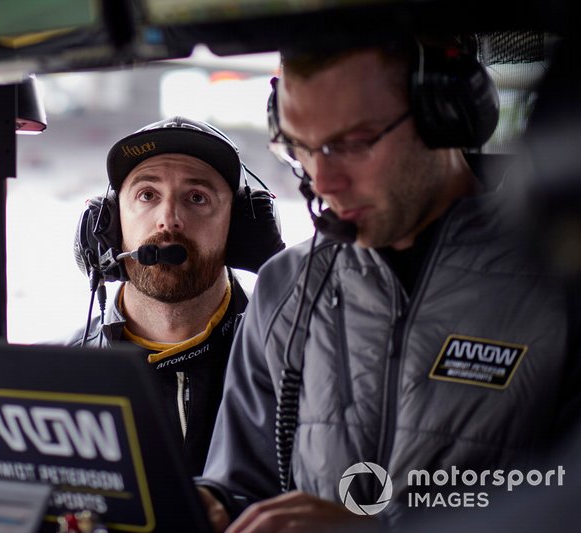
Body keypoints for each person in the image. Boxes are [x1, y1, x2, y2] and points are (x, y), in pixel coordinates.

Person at [196, 36, 581, 532]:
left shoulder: (560, 277)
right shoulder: (285, 287)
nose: (322, 181)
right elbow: (243, 481)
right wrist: (214, 504)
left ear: (444, 116)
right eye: (300, 148)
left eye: (352, 144)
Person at [68, 116, 285, 477]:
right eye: (147, 195)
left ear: (239, 230)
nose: (168, 220)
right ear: (107, 225)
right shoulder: (58, 376)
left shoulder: (296, 367)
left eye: (197, 197)